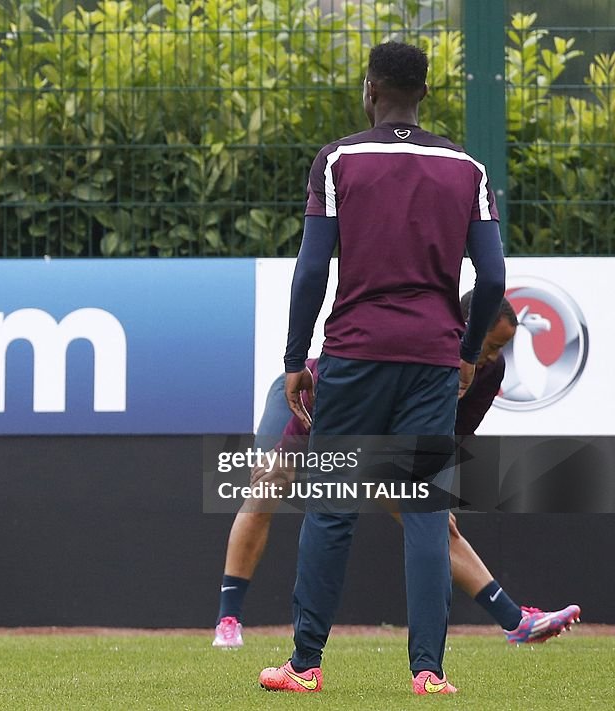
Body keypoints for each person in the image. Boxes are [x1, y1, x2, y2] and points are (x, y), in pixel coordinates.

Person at [258, 42, 507, 696]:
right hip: (431, 361)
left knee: (332, 506)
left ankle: (305, 665)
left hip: (354, 354)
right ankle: (429, 671)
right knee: (425, 511)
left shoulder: (339, 160)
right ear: (424, 93)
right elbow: (496, 275)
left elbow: (313, 269)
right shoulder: (467, 168)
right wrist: (464, 351)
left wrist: (293, 359)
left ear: (371, 89)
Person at [213, 294, 581, 649]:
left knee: (432, 518)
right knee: (266, 491)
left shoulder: (488, 371)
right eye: (491, 345)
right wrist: (286, 458)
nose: (494, 357)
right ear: (464, 330)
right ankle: (228, 620)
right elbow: (325, 397)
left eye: (502, 348)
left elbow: (452, 437)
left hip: (381, 435)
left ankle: (515, 621)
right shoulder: (409, 349)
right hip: (309, 404)